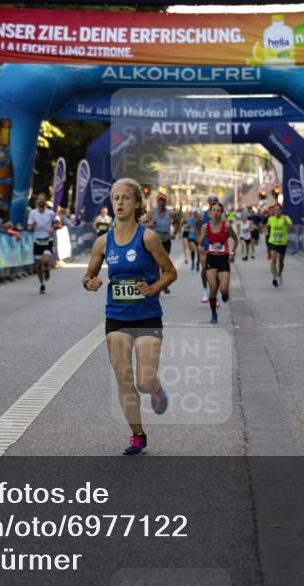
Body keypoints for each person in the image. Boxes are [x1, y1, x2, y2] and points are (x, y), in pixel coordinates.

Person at [82, 178, 177, 456]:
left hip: (147, 317)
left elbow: (170, 272)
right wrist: (90, 283)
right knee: (124, 377)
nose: (119, 203)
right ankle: (138, 435)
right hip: (117, 317)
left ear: (136, 203)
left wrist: (154, 288)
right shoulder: (103, 242)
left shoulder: (147, 238)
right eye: (115, 198)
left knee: (144, 381)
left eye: (125, 198)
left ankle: (156, 389)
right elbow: (88, 276)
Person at [198, 200, 237, 323]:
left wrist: (232, 253)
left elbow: (235, 240)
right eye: (214, 210)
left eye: (218, 211)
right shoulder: (206, 227)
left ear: (222, 213)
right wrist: (201, 250)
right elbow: (199, 244)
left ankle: (225, 294)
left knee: (223, 289)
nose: (216, 213)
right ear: (210, 212)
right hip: (211, 259)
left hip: (223, 258)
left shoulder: (227, 226)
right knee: (213, 288)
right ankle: (214, 314)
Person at [27, 191, 60, 294]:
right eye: (39, 199)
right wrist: (33, 226)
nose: (41, 201)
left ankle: (46, 268)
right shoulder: (32, 213)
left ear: (45, 201)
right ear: (37, 201)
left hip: (47, 240)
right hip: (37, 242)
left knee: (45, 260)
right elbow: (28, 227)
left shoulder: (50, 213)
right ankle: (42, 285)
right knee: (38, 266)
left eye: (43, 199)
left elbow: (57, 224)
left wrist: (53, 227)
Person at [146, 193, 174, 294]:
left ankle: (164, 285)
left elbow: (178, 222)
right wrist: (150, 224)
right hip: (155, 243)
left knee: (164, 264)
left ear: (165, 202)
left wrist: (174, 232)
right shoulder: (151, 213)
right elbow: (142, 224)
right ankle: (159, 285)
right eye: (159, 201)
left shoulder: (170, 213)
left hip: (166, 241)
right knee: (157, 265)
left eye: (163, 201)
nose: (161, 203)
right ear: (157, 202)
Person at [265, 202, 293, 287]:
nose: (276, 211)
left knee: (281, 260)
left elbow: (292, 229)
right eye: (275, 210)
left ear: (281, 211)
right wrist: (266, 231)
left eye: (278, 210)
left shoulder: (286, 218)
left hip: (282, 243)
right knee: (274, 259)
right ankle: (274, 278)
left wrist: (286, 223)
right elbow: (266, 226)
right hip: (272, 242)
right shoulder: (270, 219)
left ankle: (280, 274)